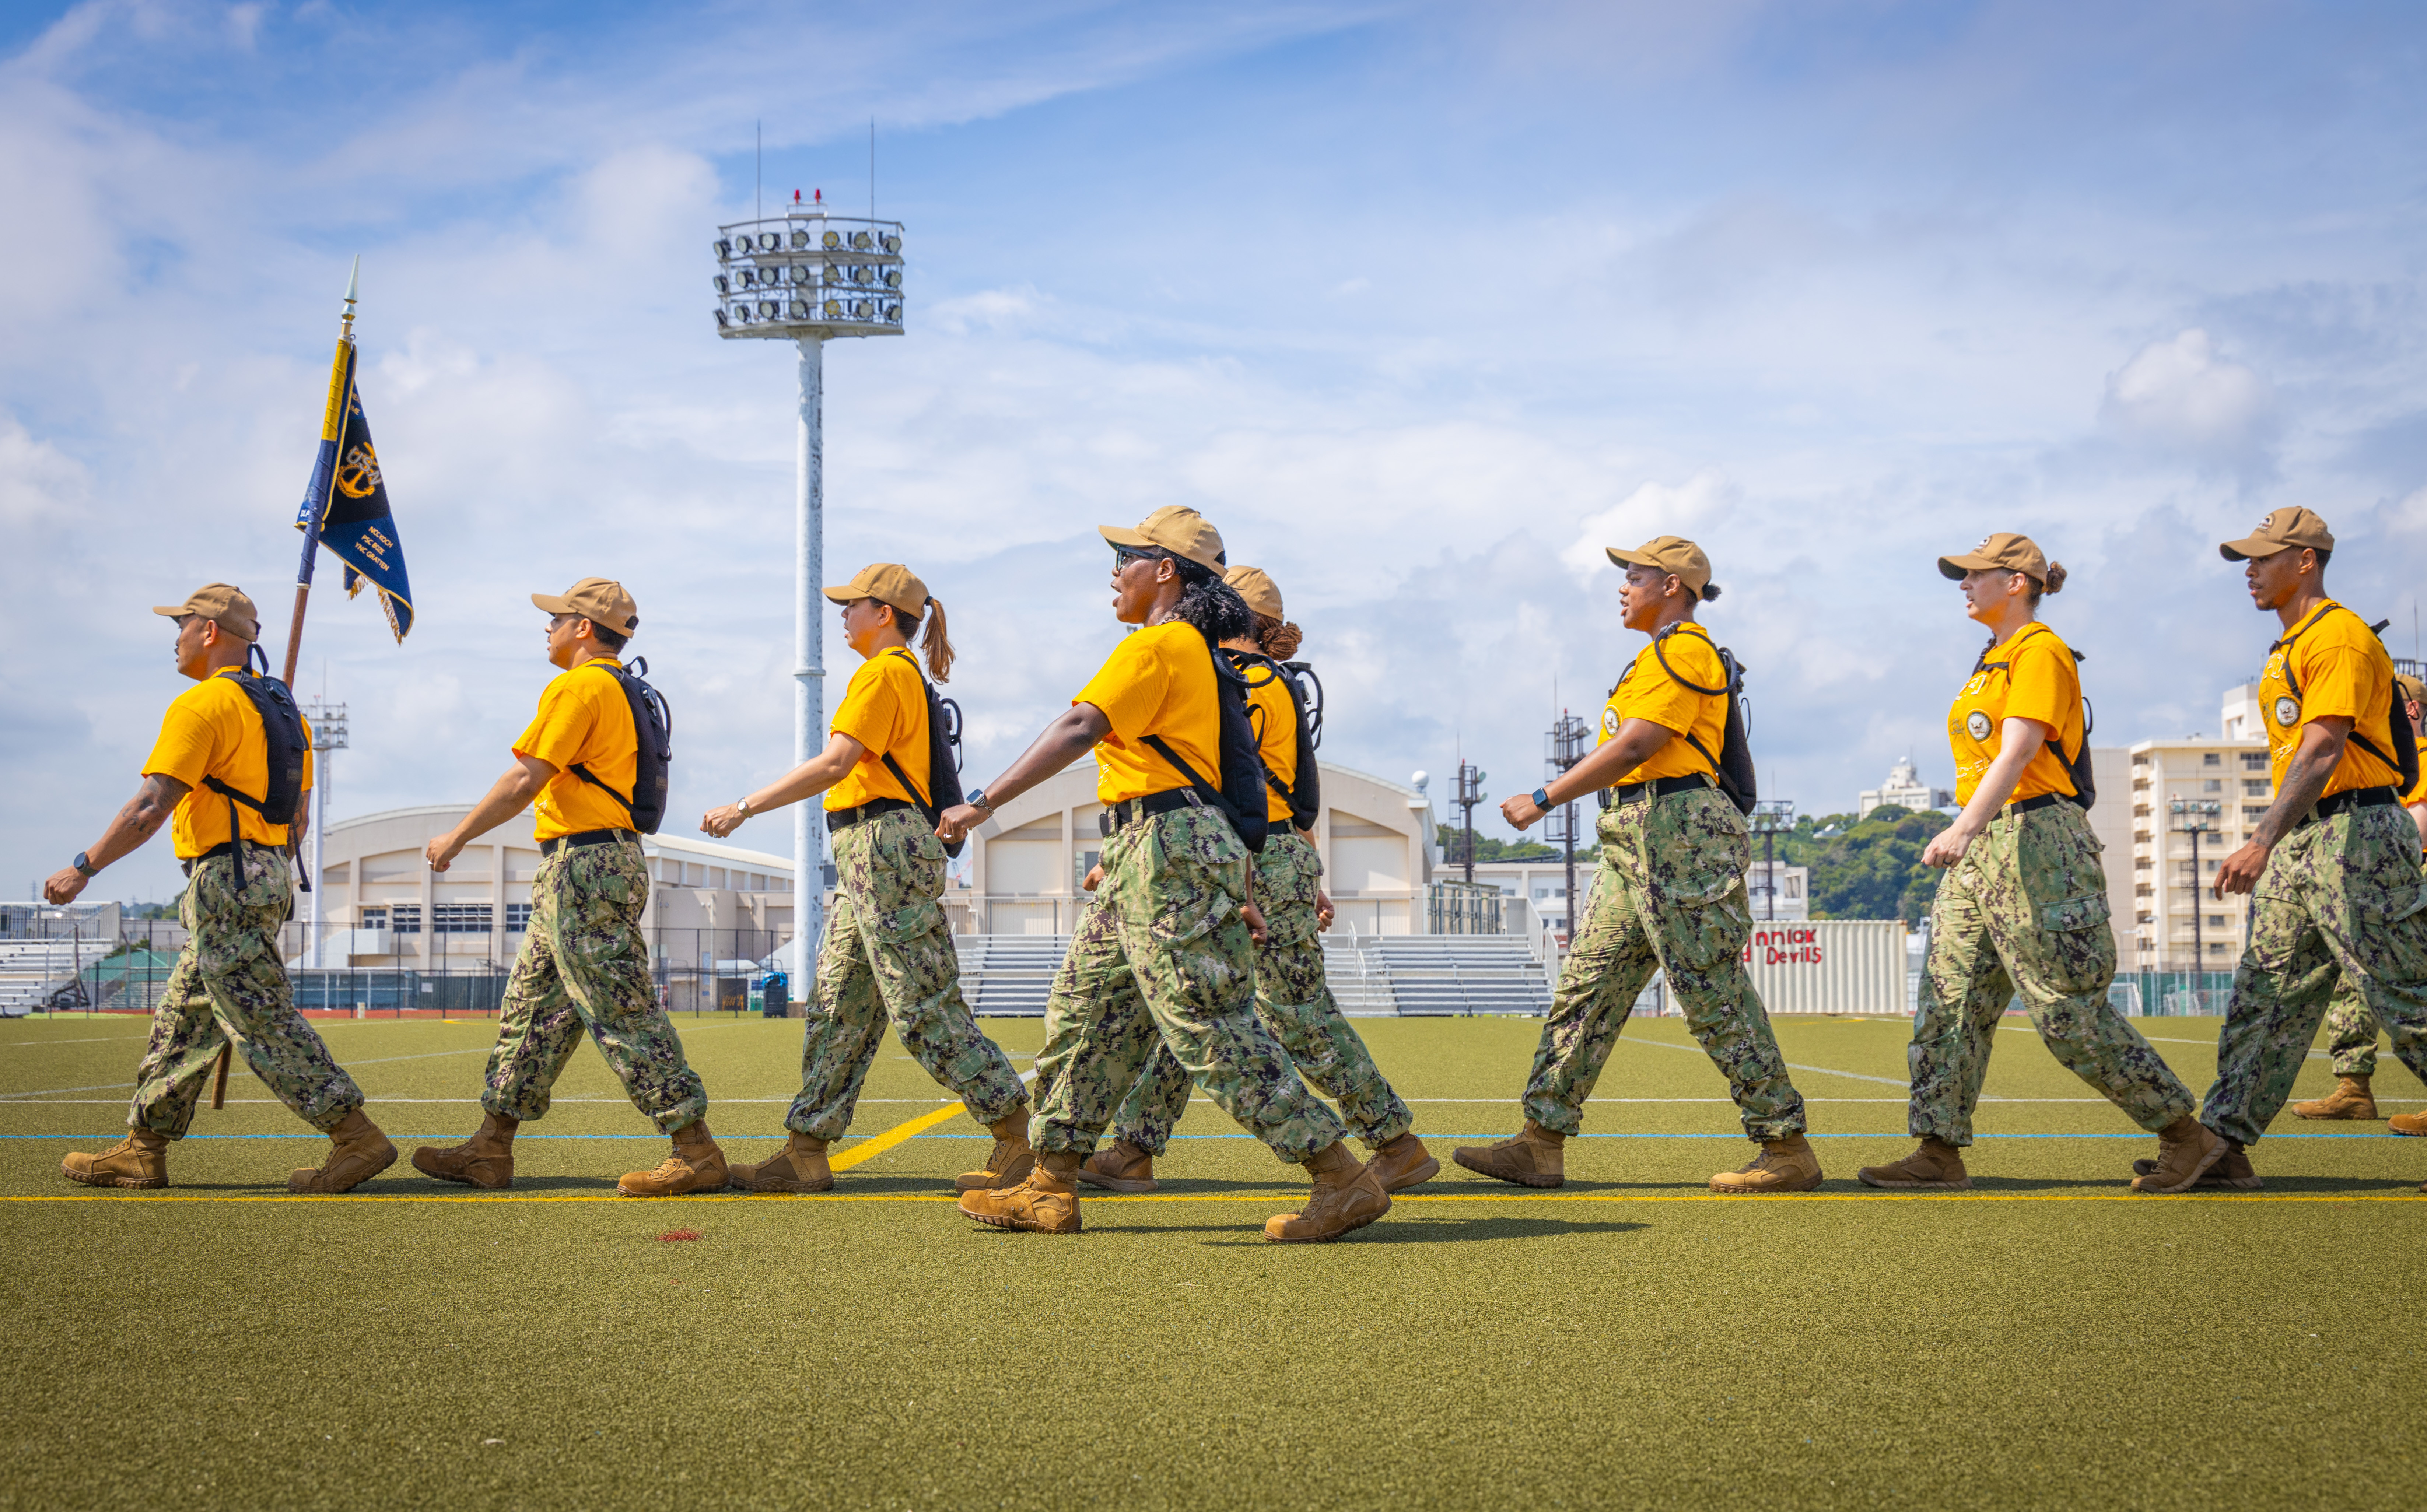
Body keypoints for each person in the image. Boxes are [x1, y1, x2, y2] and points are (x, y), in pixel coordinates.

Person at [939, 507, 1391, 1241]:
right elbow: (1234, 781)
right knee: (1087, 1013)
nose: (1114, 573)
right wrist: (1236, 885)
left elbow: (1080, 727)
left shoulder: (1161, 645)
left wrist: (982, 802)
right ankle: (1051, 1184)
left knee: (1204, 1025)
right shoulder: (1202, 658)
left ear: (1166, 571)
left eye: (1126, 558)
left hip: (1162, 850)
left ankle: (1340, 1175)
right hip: (1151, 850)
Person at [1460, 536, 1818, 1194]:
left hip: (1676, 830)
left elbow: (1637, 745)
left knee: (1710, 990)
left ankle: (1785, 1146)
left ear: (1672, 586)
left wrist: (1543, 798)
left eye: (1634, 576)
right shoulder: (1653, 657)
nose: (1622, 588)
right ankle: (1540, 1143)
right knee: (1587, 987)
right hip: (1636, 832)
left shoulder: (1685, 650)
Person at [1855, 535, 2204, 1193]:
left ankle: (2188, 1135)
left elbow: (2017, 752)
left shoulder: (2038, 651)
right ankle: (1938, 1150)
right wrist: (1970, 833)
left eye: (1975, 574)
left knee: (2066, 1012)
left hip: (2037, 842)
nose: (1964, 584)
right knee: (1948, 1003)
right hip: (1983, 847)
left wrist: (1962, 826)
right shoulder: (1991, 660)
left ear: (2016, 582)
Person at [1078, 565, 1436, 1196]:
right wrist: (1307, 870)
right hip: (1273, 852)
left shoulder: (1236, 680)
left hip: (1248, 856)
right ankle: (1134, 1147)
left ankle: (1392, 1142)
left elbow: (1214, 788)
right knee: (1194, 1001)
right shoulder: (1274, 682)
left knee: (1292, 1013)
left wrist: (1131, 852)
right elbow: (1291, 790)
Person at [700, 563, 1034, 1194]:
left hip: (882, 845)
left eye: (852, 605)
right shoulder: (898, 673)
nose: (843, 615)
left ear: (883, 614)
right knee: (838, 1005)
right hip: (869, 849)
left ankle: (1019, 1136)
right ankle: (806, 1149)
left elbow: (838, 762)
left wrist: (745, 807)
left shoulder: (882, 673)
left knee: (922, 1005)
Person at [51, 584, 393, 1194]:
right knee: (183, 1020)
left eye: (180, 625)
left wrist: (85, 867)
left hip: (226, 878)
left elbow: (150, 807)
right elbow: (299, 818)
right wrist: (261, 871)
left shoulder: (203, 704)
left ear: (208, 631)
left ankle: (355, 1135)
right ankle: (144, 1148)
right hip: (266, 872)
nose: (176, 639)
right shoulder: (285, 712)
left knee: (261, 1018)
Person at [412, 578, 725, 1196]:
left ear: (583, 627)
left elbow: (525, 779)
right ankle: (490, 1148)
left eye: (556, 618)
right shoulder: (624, 688)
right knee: (532, 1012)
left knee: (620, 1008)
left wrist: (457, 837)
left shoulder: (581, 686)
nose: (547, 627)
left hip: (584, 868)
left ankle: (695, 1148)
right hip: (592, 864)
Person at [2166, 508, 2427, 1193]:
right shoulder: (2289, 645)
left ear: (2305, 561)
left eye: (2262, 558)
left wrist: (2260, 840)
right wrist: (2277, 842)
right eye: (2246, 561)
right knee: (2266, 995)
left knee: (2403, 994)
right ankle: (2222, 1145)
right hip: (2306, 839)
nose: (2249, 571)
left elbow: (2321, 748)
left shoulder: (2337, 636)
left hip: (2357, 833)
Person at [2288, 669, 2427, 1125]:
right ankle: (2354, 1087)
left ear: (2410, 708)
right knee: (2354, 983)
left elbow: (2420, 825)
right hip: (2382, 876)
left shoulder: (2422, 755)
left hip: (2404, 877)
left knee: (2407, 985)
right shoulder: (2377, 759)